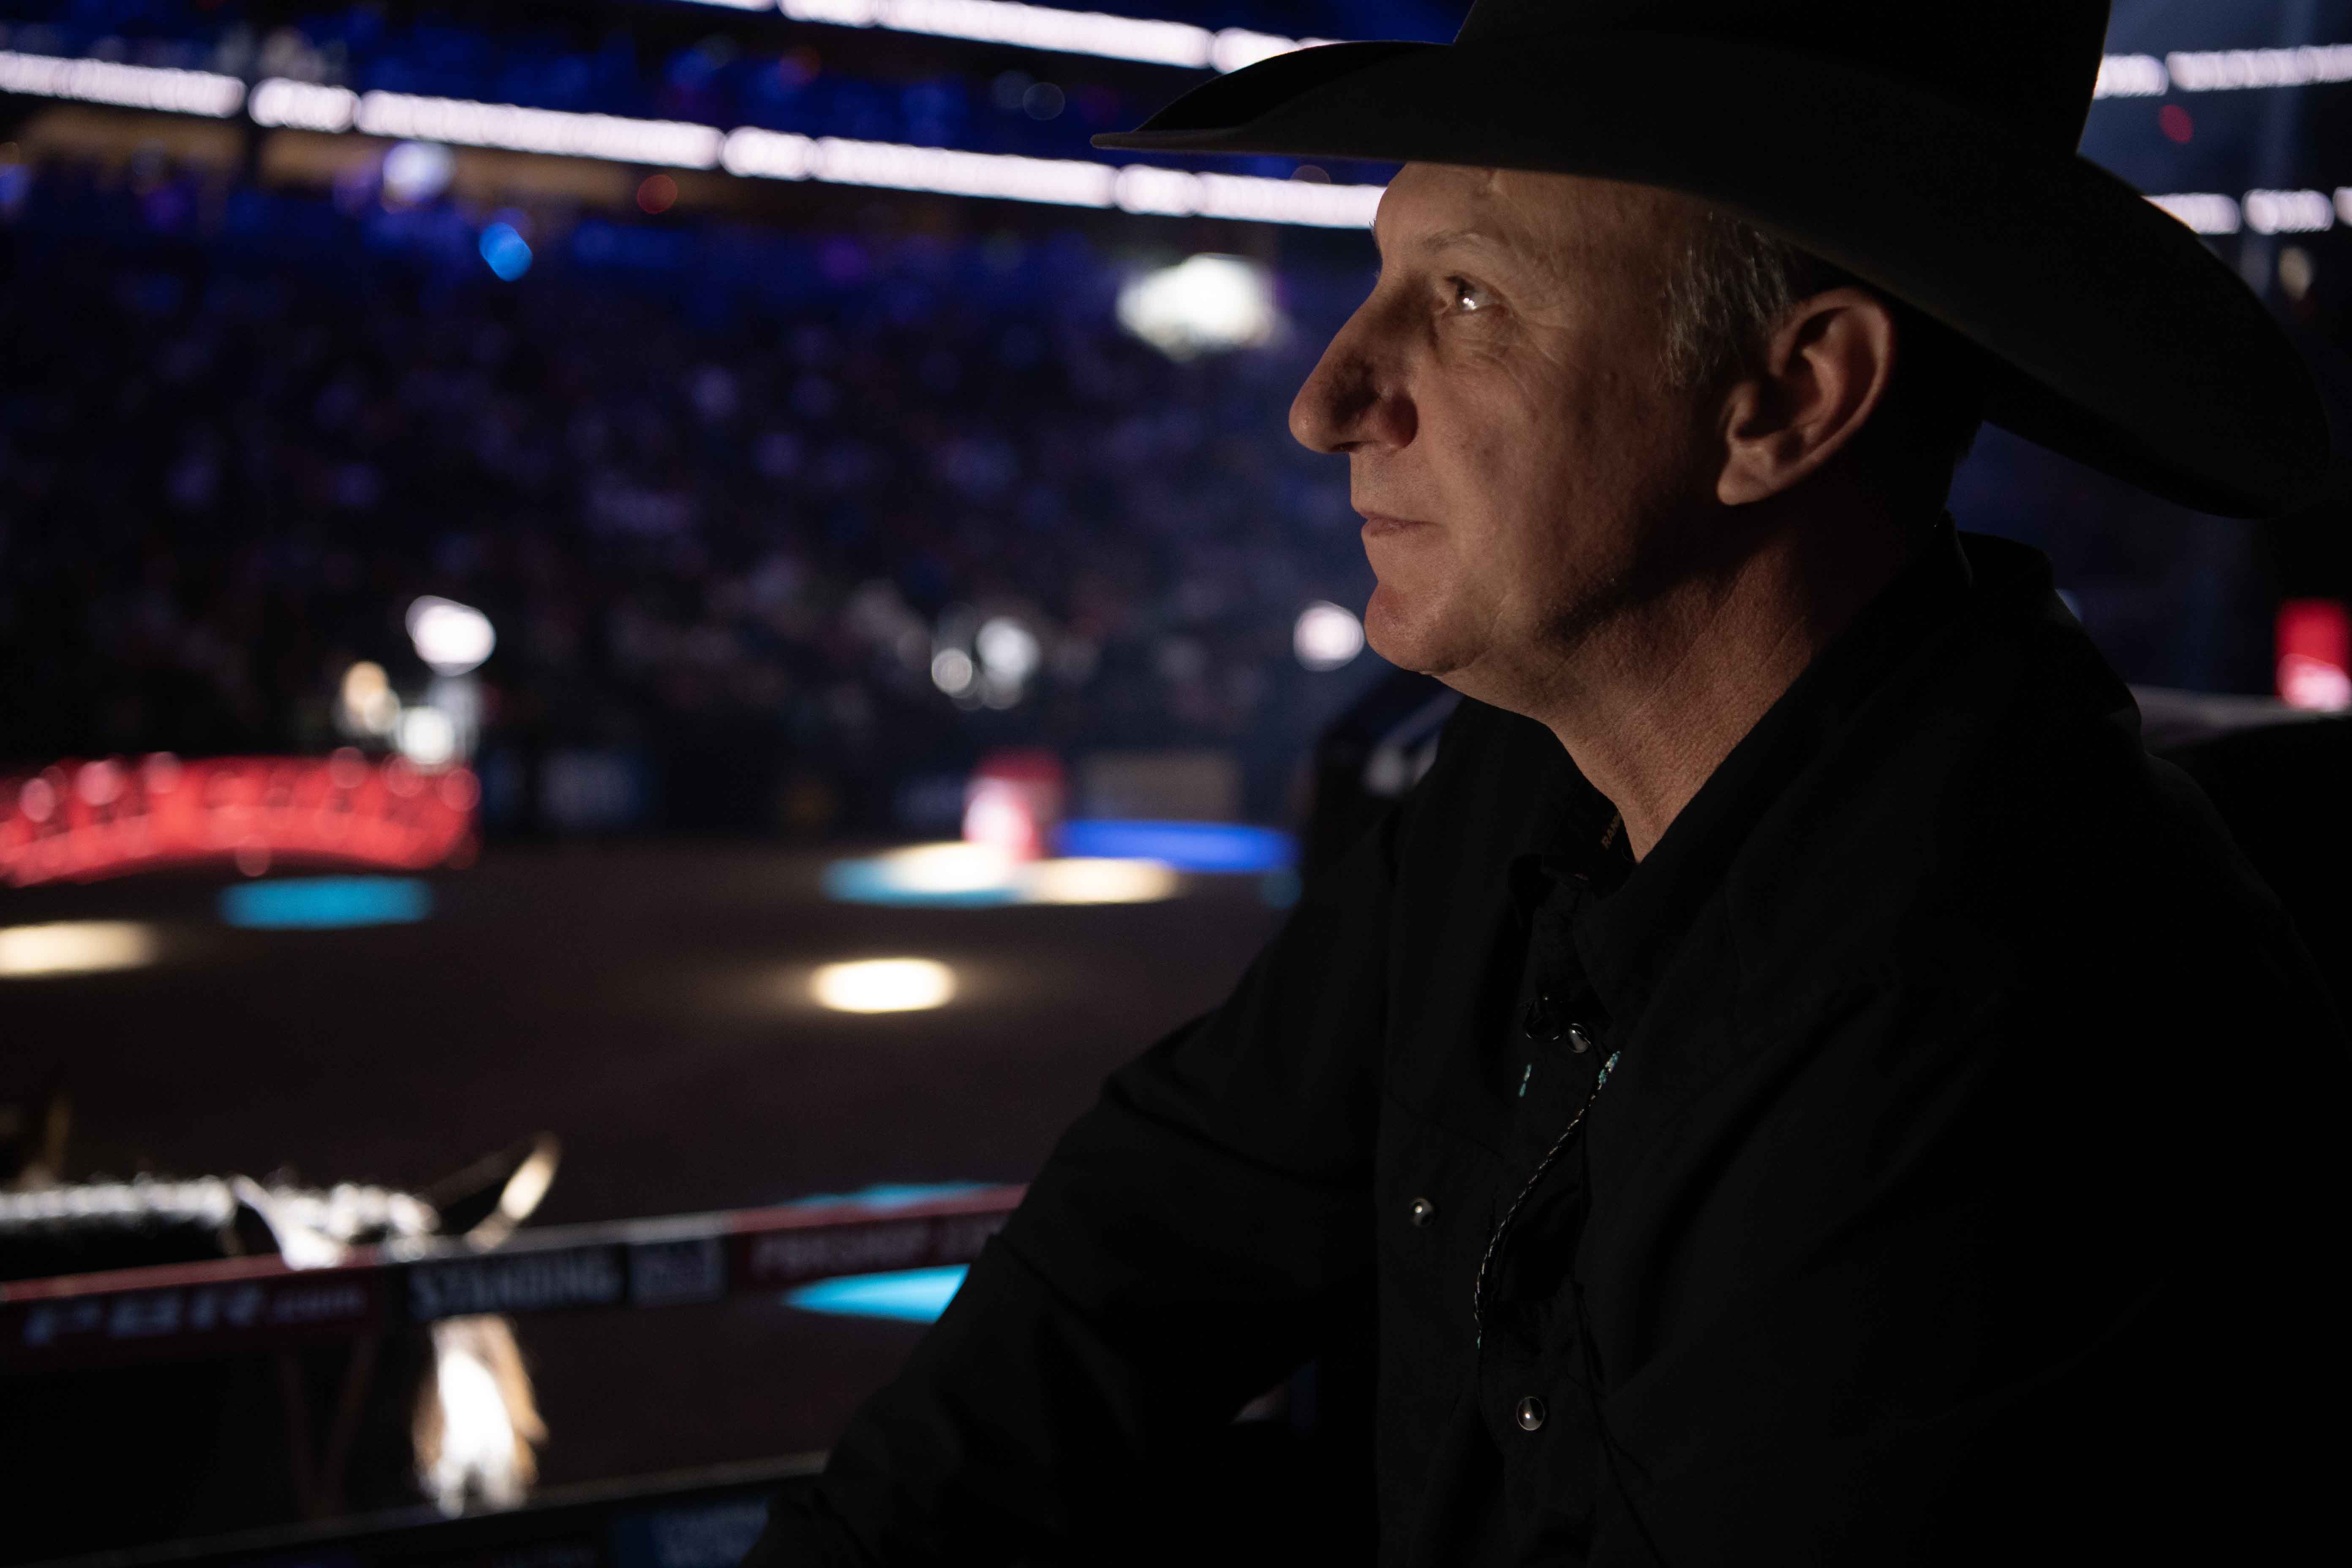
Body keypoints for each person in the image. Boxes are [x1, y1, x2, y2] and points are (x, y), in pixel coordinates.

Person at [746, 2, 2347, 1561]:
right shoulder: (1520, 777)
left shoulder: (2010, 1015)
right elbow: (1158, 1232)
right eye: (1387, 277)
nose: (1326, 402)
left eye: (1466, 299)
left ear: (1791, 398)